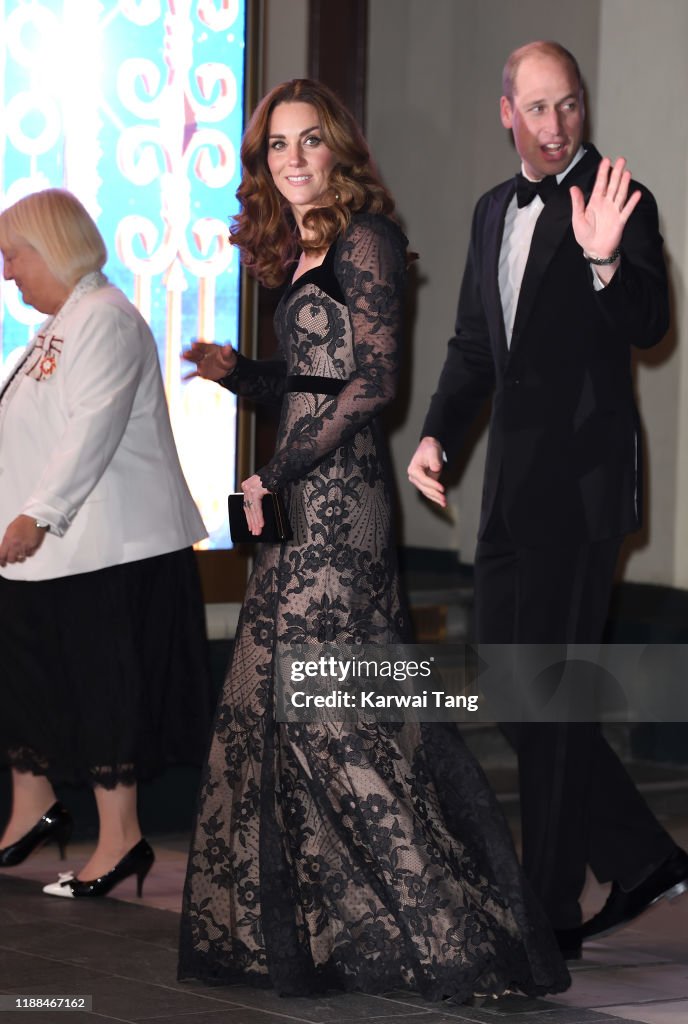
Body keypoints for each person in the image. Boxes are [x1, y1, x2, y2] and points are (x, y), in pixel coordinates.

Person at [178, 78, 569, 1002]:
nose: (294, 160)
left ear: (338, 149)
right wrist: (244, 376)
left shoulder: (369, 238)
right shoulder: (305, 245)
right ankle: (294, 937)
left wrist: (274, 474)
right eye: (277, 147)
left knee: (337, 714)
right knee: (260, 715)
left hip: (336, 505)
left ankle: (456, 940)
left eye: (310, 142)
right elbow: (314, 384)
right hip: (295, 504)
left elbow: (373, 385)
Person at [408, 40, 688, 958]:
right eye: (537, 108)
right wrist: (442, 433)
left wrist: (608, 263)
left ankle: (549, 910)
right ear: (506, 113)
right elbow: (473, 348)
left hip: (584, 486)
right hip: (507, 493)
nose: (557, 125)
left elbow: (650, 324)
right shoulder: (495, 211)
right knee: (506, 682)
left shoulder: (617, 197)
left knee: (554, 696)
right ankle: (641, 854)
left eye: (569, 106)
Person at [0, 188, 212, 898]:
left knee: (105, 690)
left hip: (110, 551)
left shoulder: (107, 320)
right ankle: (32, 810)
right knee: (31, 683)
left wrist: (37, 514)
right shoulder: (61, 323)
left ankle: (121, 840)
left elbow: (91, 429)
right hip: (56, 552)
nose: (8, 274)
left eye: (13, 256)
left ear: (49, 248)